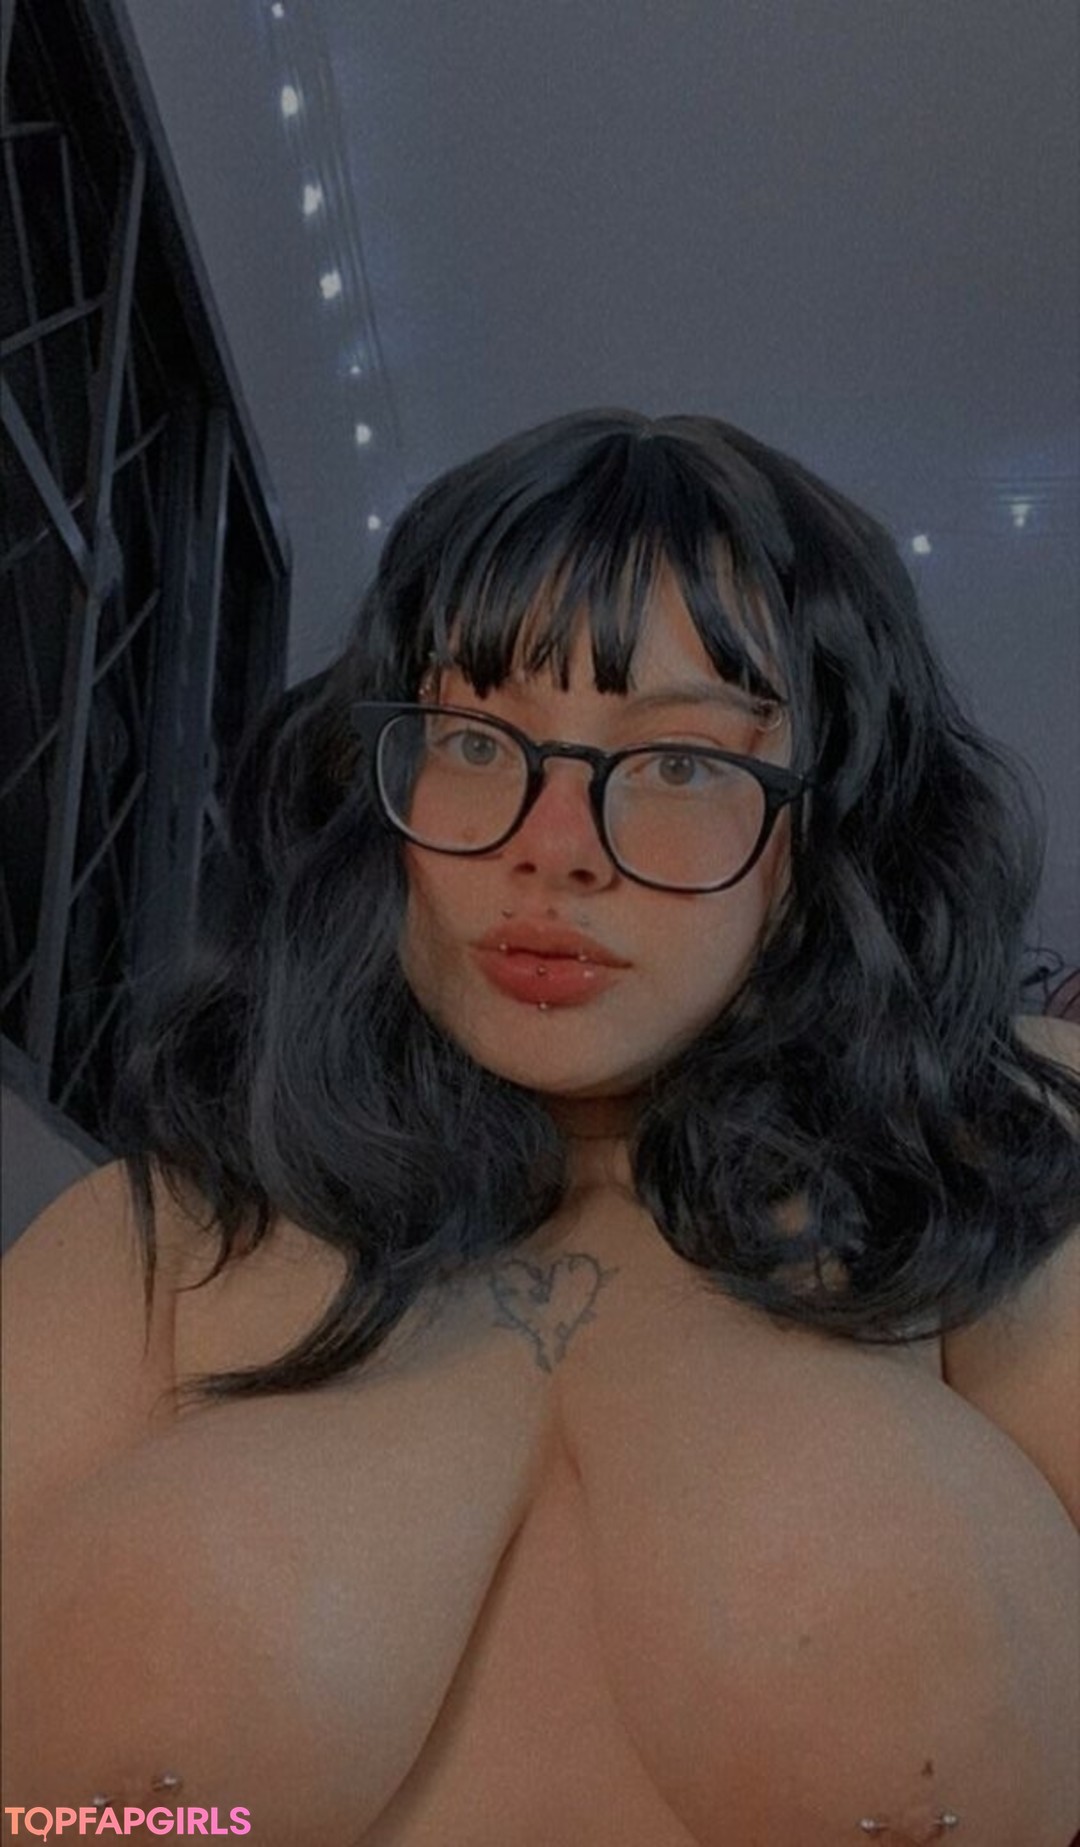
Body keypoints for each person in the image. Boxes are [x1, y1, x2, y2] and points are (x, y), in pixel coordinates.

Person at [3, 408, 1078, 1847]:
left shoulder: (997, 1165)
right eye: (476, 738)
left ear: (829, 825)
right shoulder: (168, 1231)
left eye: (682, 762)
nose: (551, 846)